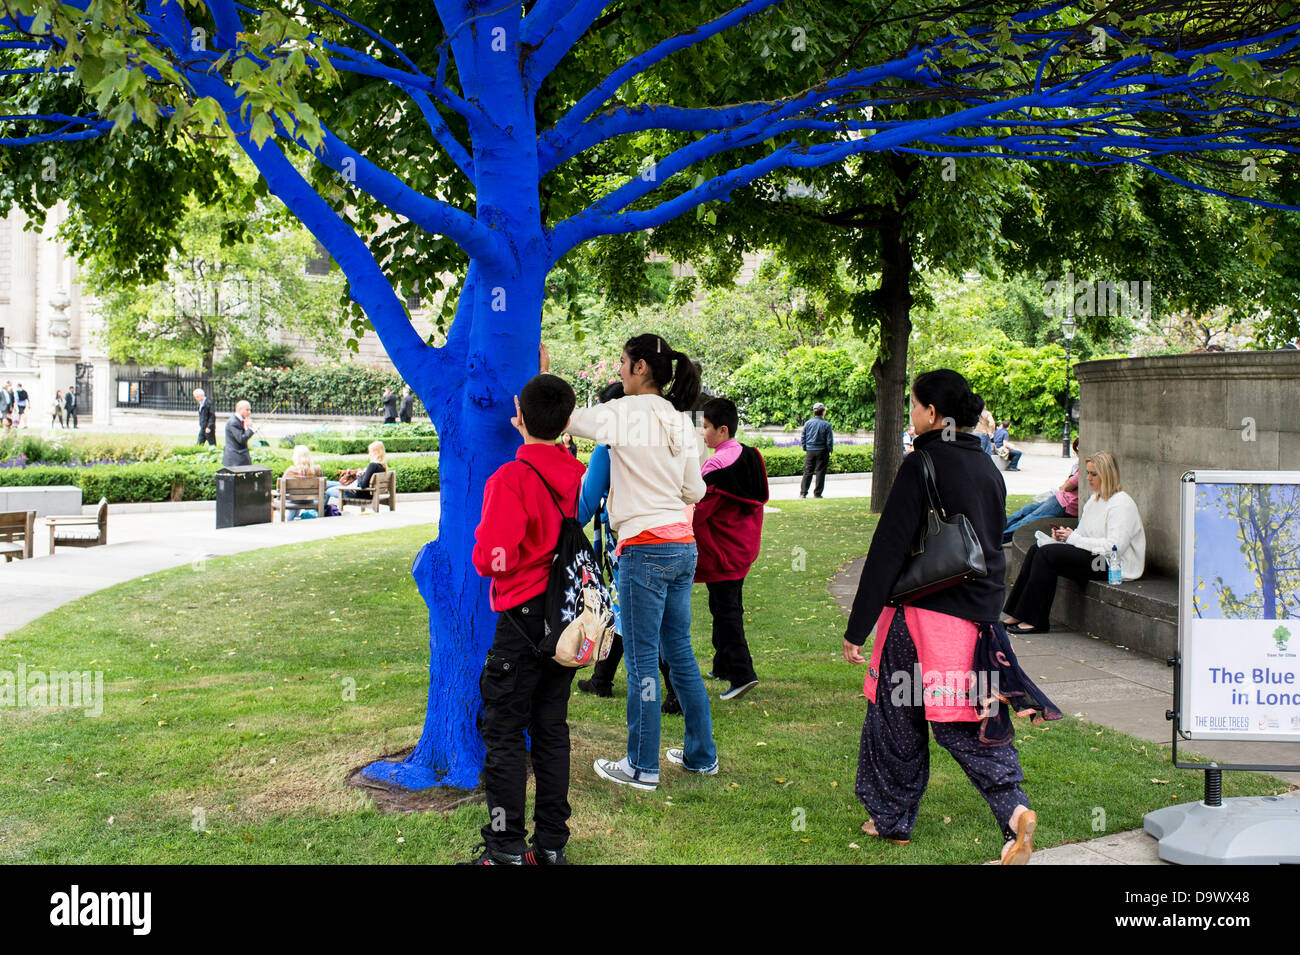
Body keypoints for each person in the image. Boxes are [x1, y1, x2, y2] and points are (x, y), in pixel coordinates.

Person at [843, 369, 1060, 864]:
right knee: (967, 721)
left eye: (914, 406)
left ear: (933, 415)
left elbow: (887, 551)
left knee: (895, 717)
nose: (911, 415)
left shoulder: (922, 462)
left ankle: (890, 819)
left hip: (922, 617)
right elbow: (992, 545)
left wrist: (858, 626)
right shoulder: (988, 468)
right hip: (976, 623)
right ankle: (1014, 811)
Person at [560, 333, 717, 789]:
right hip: (682, 545)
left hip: (644, 547)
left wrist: (542, 370)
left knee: (644, 659)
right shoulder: (681, 422)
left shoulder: (625, 413)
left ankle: (642, 766)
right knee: (680, 653)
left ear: (641, 367)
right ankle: (700, 755)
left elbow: (564, 418)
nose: (618, 371)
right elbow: (695, 491)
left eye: (622, 363)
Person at [464, 372, 586, 865]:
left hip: (520, 619)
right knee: (552, 728)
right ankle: (552, 845)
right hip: (566, 619)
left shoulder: (511, 478)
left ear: (519, 415)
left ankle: (506, 848)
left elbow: (494, 558)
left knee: (505, 732)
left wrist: (482, 551)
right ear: (566, 423)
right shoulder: (578, 474)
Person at [573, 382, 678, 707]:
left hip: (628, 545)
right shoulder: (664, 436)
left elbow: (584, 506)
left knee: (639, 616)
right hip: (671, 538)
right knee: (638, 611)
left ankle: (675, 693)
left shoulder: (608, 447)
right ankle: (602, 679)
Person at [1004, 450, 1145, 634]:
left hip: (1111, 565)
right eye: (1087, 472)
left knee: (1048, 555)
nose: (1088, 478)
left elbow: (1114, 548)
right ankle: (1019, 613)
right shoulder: (1094, 501)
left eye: (1094, 474)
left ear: (1107, 475)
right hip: (1094, 556)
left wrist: (1074, 539)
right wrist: (1064, 537)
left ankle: (1036, 620)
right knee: (1037, 549)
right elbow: (1081, 533)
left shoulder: (1121, 504)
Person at [693, 396, 768, 701]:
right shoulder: (751, 455)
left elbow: (700, 512)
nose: (702, 432)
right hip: (742, 549)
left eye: (706, 427)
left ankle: (742, 674)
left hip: (721, 553)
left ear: (722, 430)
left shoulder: (716, 467)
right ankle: (722, 664)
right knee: (724, 606)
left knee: (727, 612)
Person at [1002, 437, 1080, 543]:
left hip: (1065, 503)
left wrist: (1068, 483)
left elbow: (1066, 486)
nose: (1077, 454)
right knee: (1026, 512)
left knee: (1028, 519)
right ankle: (993, 534)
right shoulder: (1079, 467)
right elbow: (1065, 486)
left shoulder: (1082, 469)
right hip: (1061, 500)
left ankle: (995, 540)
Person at [327, 440, 388, 506]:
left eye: (370, 452)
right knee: (326, 483)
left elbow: (363, 485)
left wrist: (359, 474)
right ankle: (323, 510)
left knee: (327, 490)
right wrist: (364, 473)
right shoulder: (382, 467)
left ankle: (322, 511)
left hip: (356, 493)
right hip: (355, 489)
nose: (369, 454)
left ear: (375, 452)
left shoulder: (373, 465)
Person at [282, 445, 336, 520]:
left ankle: (288, 521)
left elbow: (281, 488)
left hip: (293, 500)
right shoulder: (317, 470)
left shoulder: (290, 471)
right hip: (310, 500)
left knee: (293, 499)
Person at [800, 401, 833, 498]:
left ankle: (803, 493)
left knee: (807, 471)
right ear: (823, 412)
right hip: (822, 451)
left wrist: (805, 448)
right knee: (820, 472)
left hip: (810, 450)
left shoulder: (807, 423)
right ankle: (817, 494)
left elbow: (803, 437)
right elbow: (829, 440)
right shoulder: (826, 425)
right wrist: (829, 450)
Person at [223, 400, 255, 467]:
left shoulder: (239, 421)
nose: (249, 412)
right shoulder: (233, 422)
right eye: (247, 410)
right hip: (236, 459)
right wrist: (250, 429)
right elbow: (241, 439)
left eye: (250, 410)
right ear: (239, 409)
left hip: (240, 457)